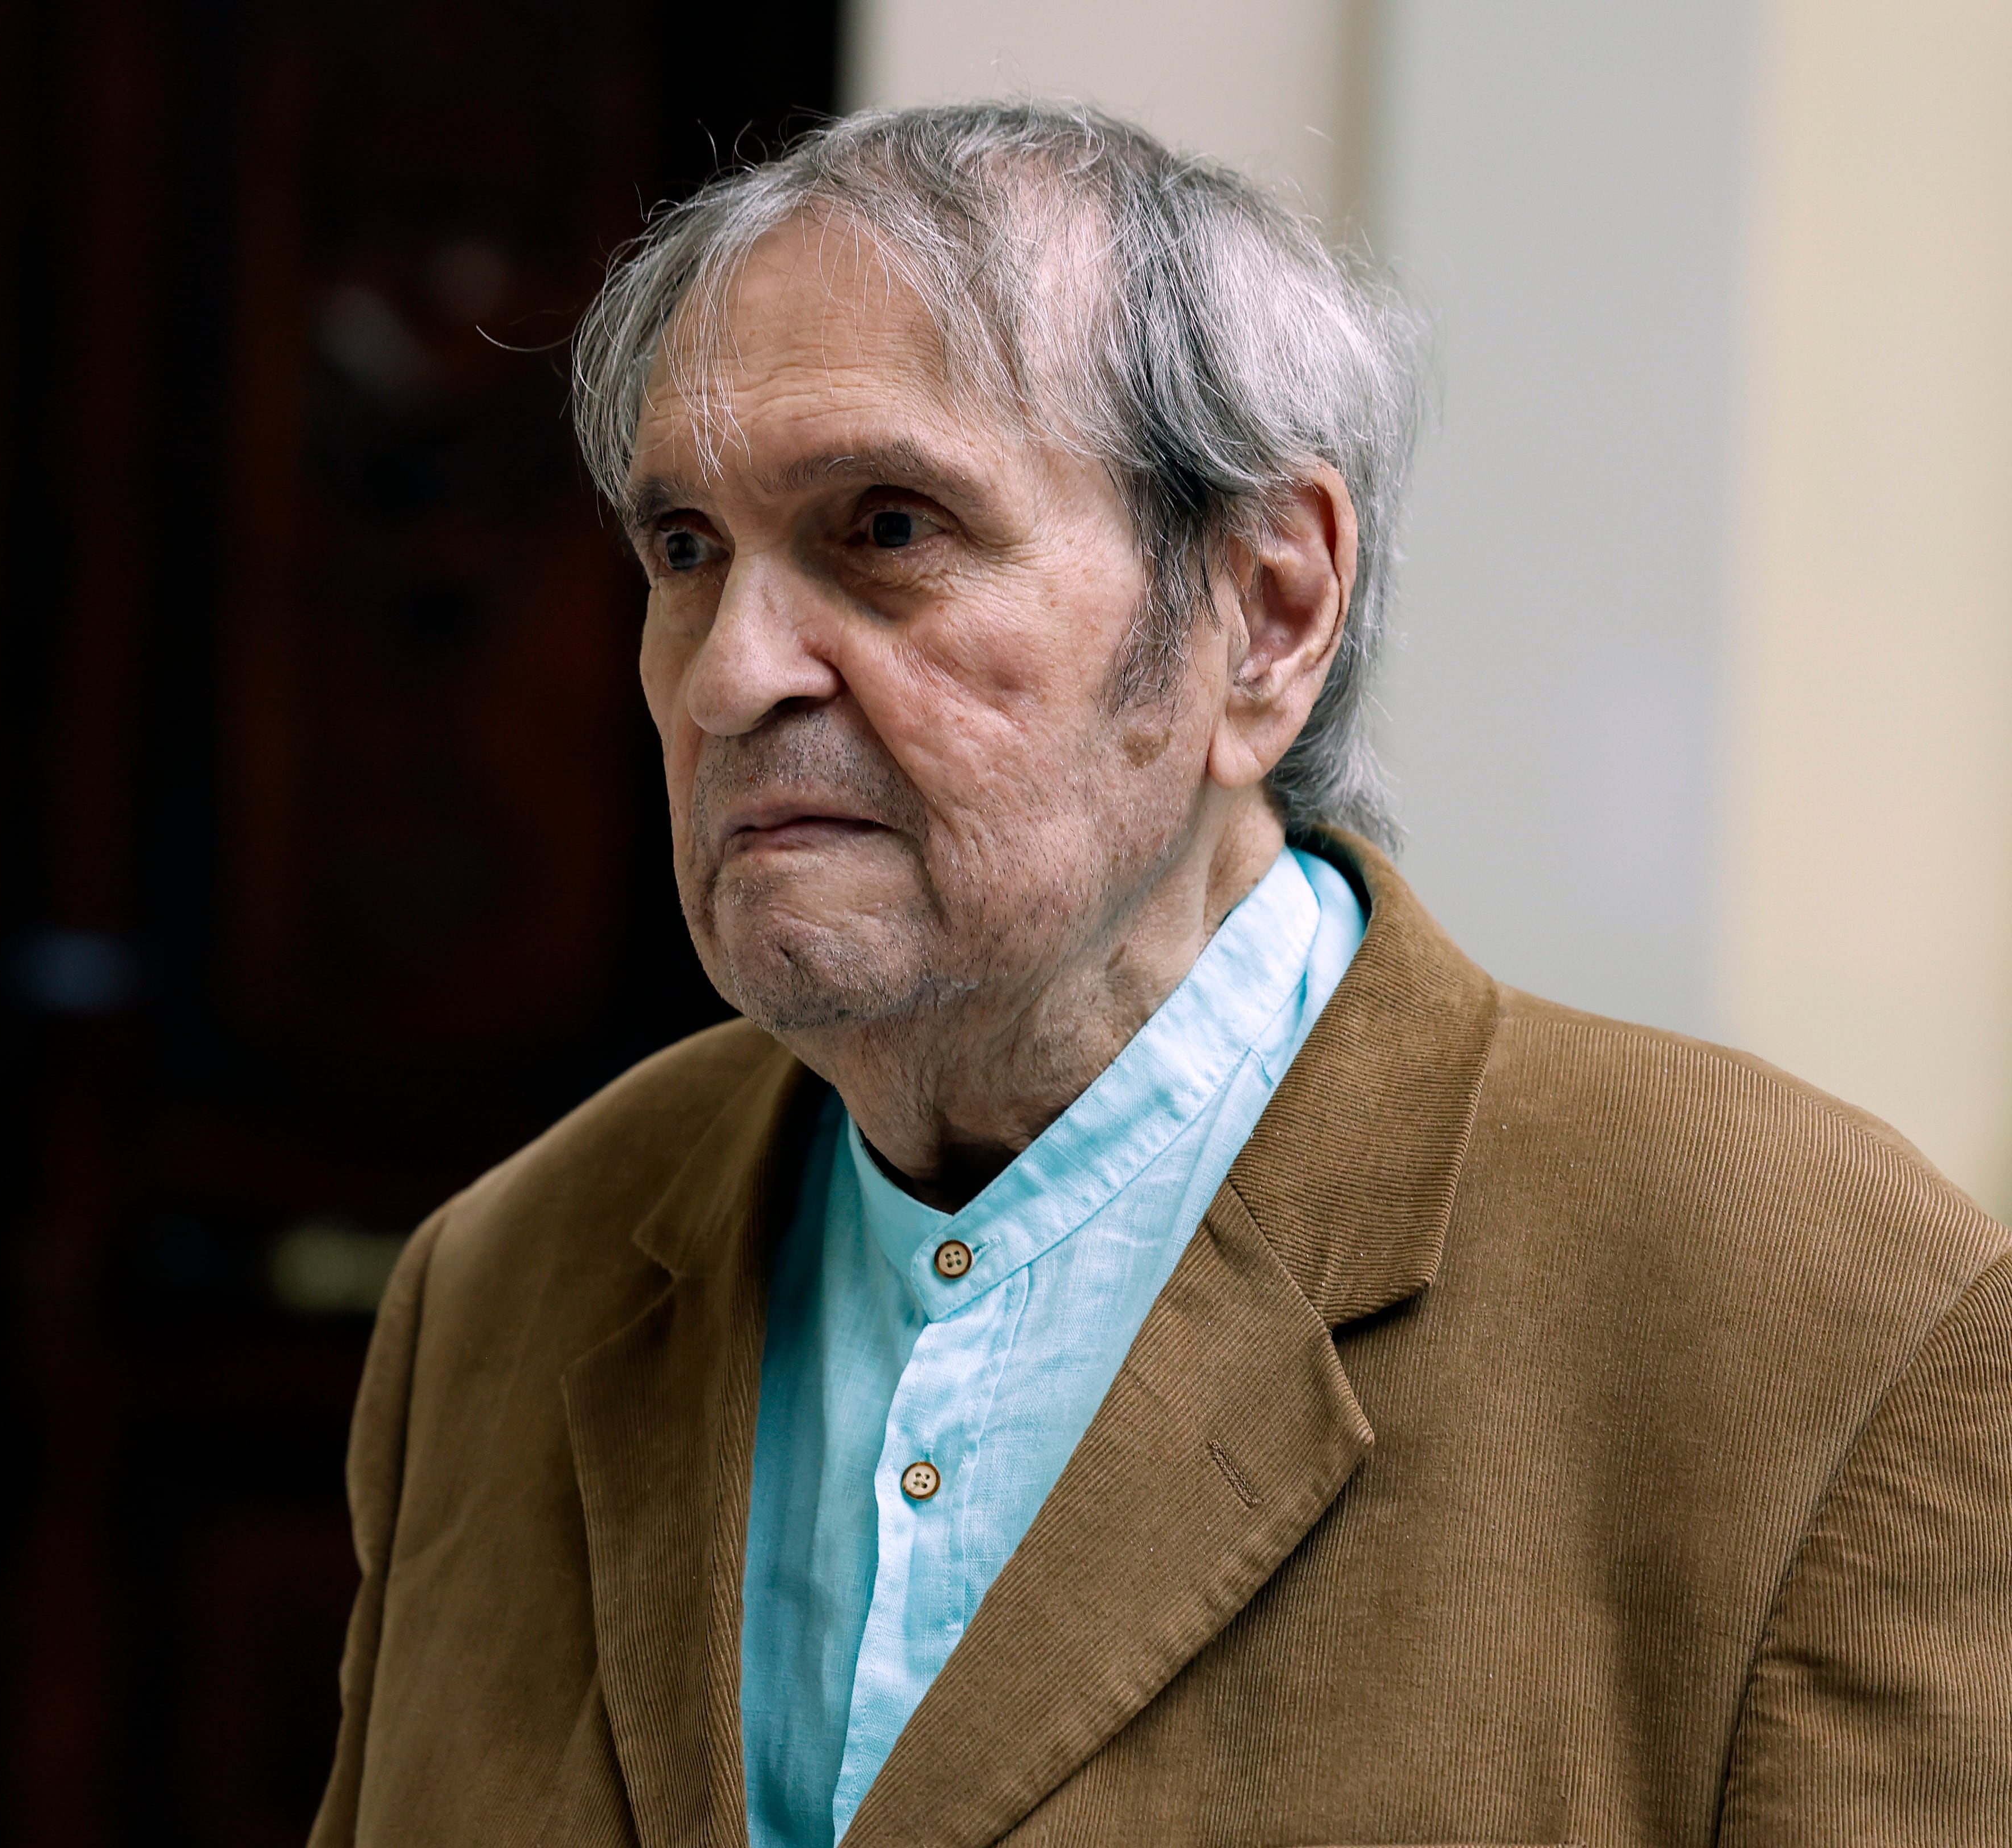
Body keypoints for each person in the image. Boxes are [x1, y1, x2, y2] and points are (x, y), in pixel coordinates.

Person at [308, 103, 2012, 1847]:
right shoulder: (507, 1283)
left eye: (887, 529)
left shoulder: (1823, 1326)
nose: (733, 673)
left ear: (1266, 613)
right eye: (685, 550)